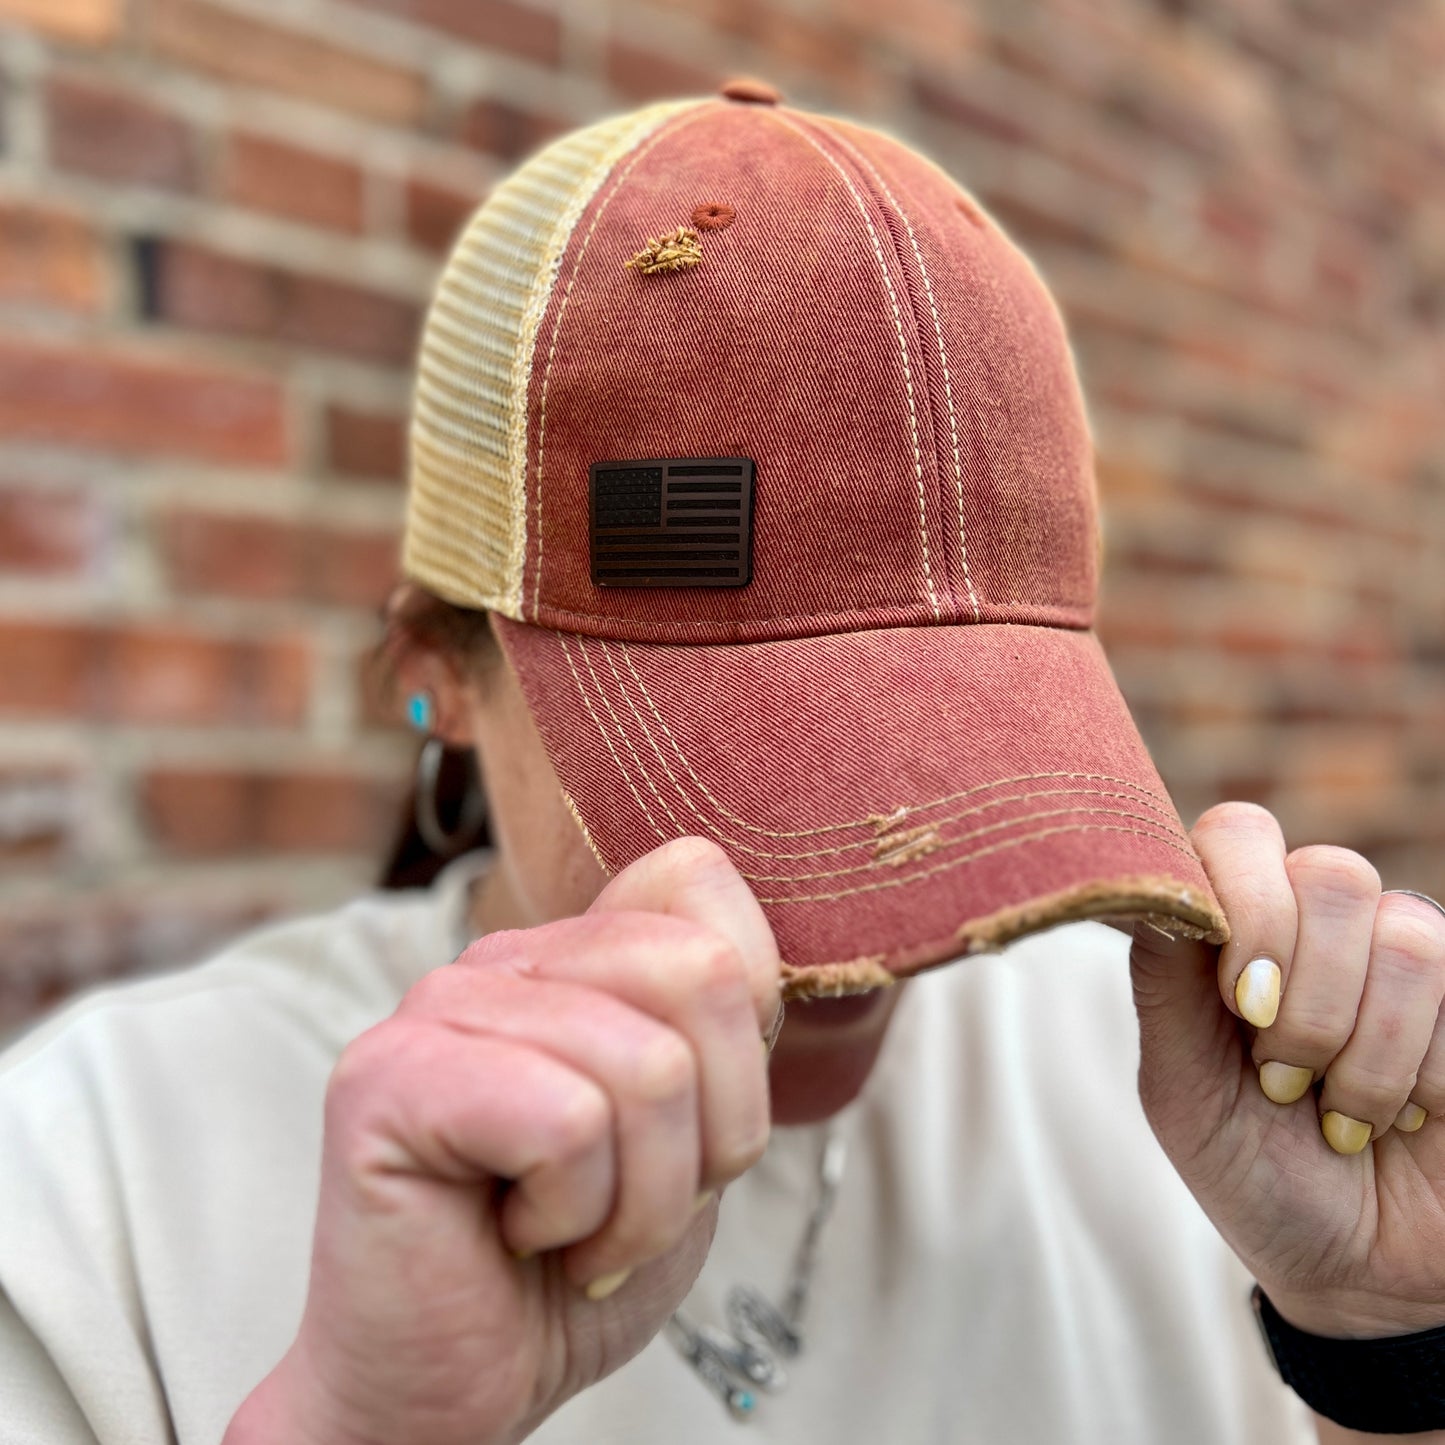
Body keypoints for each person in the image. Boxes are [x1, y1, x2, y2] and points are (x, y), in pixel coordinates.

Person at [1, 81, 1442, 1445]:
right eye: (753, 760)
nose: (885, 898)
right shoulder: (99, 1182)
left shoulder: (1177, 1099)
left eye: (957, 747)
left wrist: (1381, 1339)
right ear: (438, 678)